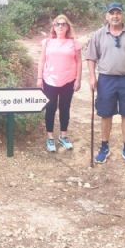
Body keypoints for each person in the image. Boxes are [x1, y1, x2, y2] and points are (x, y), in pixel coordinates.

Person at [86, 2, 125, 166]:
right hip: (106, 79)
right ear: (107, 16)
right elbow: (91, 57)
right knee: (106, 114)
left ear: (122, 15)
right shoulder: (99, 34)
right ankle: (104, 147)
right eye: (112, 13)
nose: (115, 16)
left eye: (118, 13)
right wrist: (92, 77)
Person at [37, 14, 82, 152]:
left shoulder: (74, 43)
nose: (60, 26)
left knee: (65, 108)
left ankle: (63, 136)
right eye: (58, 24)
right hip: (50, 80)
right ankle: (50, 137)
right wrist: (39, 78)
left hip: (68, 80)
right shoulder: (47, 42)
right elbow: (42, 60)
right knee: (50, 108)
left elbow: (79, 62)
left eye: (63, 24)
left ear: (68, 27)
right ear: (54, 27)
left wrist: (78, 79)